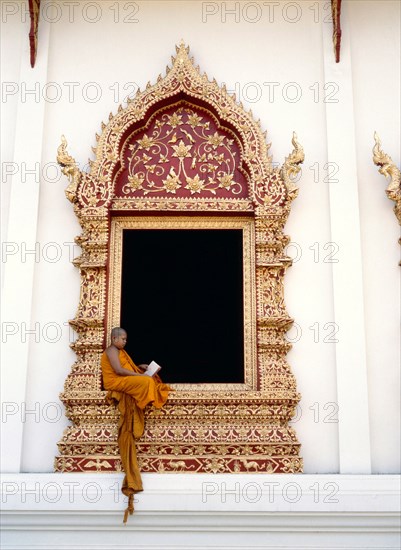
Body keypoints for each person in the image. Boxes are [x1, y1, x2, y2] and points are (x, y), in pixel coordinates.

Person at [101, 327, 171, 409]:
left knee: (151, 378)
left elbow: (125, 367)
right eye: (123, 339)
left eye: (126, 340)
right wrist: (140, 376)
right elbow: (119, 370)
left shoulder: (120, 351)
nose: (125, 342)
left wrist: (139, 367)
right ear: (114, 338)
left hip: (122, 379)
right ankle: (145, 403)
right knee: (147, 381)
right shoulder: (111, 350)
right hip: (114, 381)